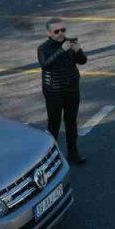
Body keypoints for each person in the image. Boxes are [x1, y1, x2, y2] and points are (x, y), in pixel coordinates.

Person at [38, 19, 87, 164]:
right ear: (49, 33)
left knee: (71, 122)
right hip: (53, 90)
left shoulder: (69, 44)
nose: (61, 34)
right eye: (56, 31)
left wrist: (78, 51)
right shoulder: (43, 48)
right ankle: (51, 158)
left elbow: (83, 61)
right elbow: (45, 65)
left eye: (63, 30)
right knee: (54, 124)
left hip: (71, 88)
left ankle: (73, 154)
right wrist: (62, 50)